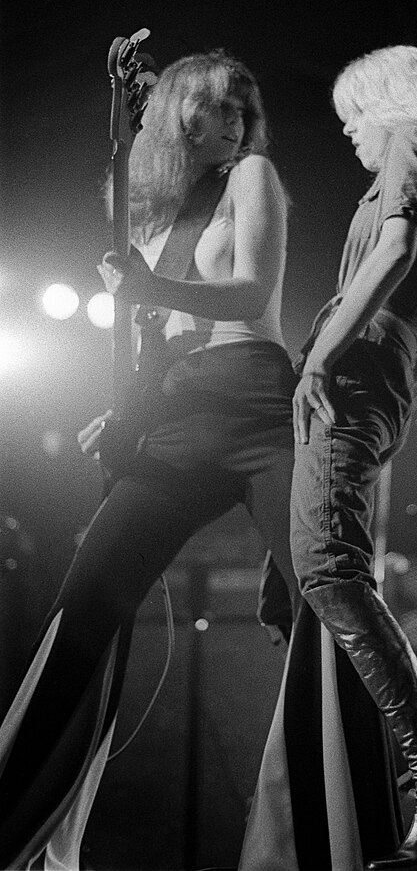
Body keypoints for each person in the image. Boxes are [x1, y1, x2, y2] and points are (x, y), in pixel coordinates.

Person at [0, 49, 301, 870]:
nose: (236, 119)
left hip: (257, 410)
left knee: (322, 611)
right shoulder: (149, 223)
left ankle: (327, 835)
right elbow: (147, 340)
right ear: (177, 116)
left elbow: (251, 299)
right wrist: (125, 410)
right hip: (175, 421)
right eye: (218, 106)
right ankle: (17, 827)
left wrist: (145, 291)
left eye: (245, 106)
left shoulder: (254, 179)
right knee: (84, 607)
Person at [288, 45, 417, 871]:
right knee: (315, 571)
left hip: (356, 364)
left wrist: (320, 355)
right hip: (372, 364)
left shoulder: (410, 138)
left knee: (332, 571)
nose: (349, 135)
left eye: (350, 116)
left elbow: (395, 248)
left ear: (384, 102)